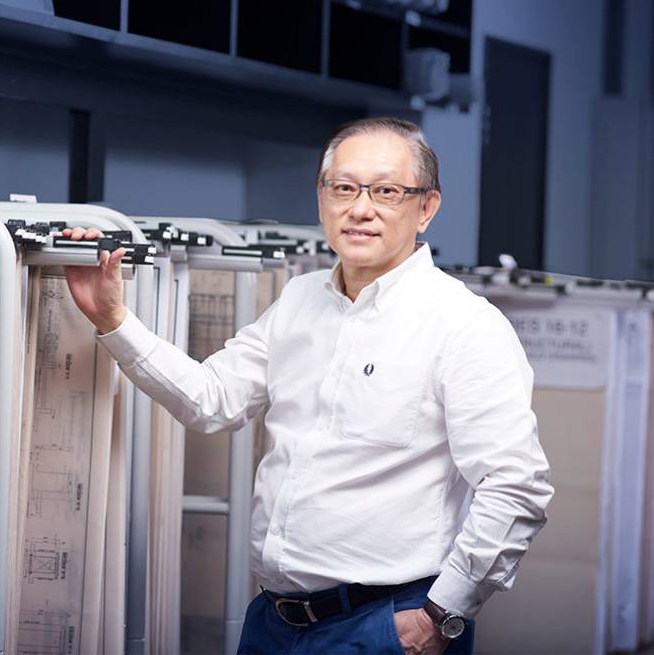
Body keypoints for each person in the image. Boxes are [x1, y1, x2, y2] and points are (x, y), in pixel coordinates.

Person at [63, 117, 553, 655]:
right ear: (322, 198)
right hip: (273, 622)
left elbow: (516, 485)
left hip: (388, 625)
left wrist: (439, 615)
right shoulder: (299, 300)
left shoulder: (463, 324)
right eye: (343, 188)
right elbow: (212, 399)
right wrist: (112, 318)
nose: (360, 208)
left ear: (426, 208)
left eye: (386, 191)